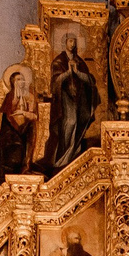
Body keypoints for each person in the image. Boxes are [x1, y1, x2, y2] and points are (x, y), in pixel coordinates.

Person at [44, 38, 98, 175]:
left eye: (74, 41)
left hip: (79, 98)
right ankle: (62, 158)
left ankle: (74, 153)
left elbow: (90, 80)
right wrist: (69, 71)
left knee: (82, 119)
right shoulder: (58, 61)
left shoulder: (80, 62)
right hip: (65, 98)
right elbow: (55, 82)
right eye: (69, 41)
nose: (72, 44)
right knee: (70, 122)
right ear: (65, 43)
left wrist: (77, 72)